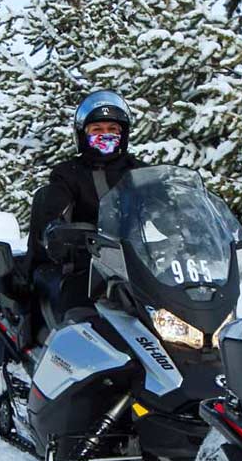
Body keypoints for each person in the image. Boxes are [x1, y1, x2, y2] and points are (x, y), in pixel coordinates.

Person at [18, 91, 146, 339]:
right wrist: (60, 232)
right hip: (88, 267)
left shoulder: (139, 173)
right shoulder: (68, 174)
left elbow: (164, 208)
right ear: (83, 134)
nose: (105, 134)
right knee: (83, 320)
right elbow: (53, 211)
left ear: (123, 134)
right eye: (97, 129)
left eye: (112, 128)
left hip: (139, 267)